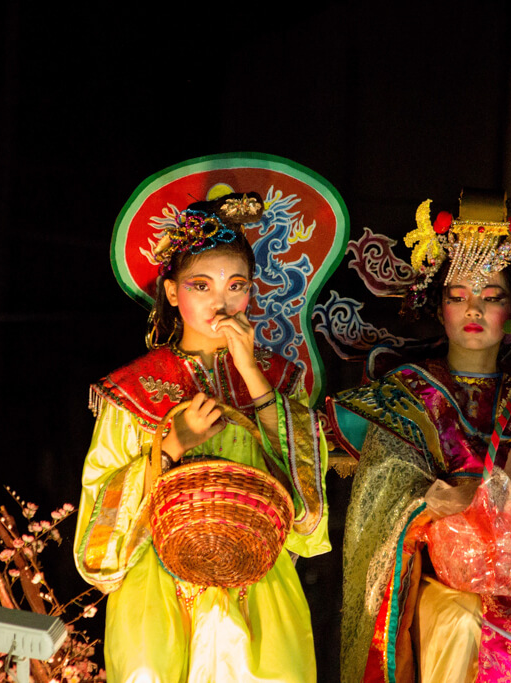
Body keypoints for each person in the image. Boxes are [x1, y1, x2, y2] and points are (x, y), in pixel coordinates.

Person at [329, 190, 511, 683]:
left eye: (491, 297)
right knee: (460, 617)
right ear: (439, 309)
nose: (474, 308)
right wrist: (442, 507)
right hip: (441, 575)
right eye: (458, 297)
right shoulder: (408, 394)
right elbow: (382, 502)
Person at [74, 191, 330, 683]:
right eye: (201, 284)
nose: (221, 301)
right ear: (171, 292)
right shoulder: (135, 389)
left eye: (236, 286)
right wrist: (171, 446)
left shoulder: (278, 382)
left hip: (257, 584)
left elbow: (308, 515)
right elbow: (97, 531)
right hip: (158, 589)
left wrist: (252, 375)